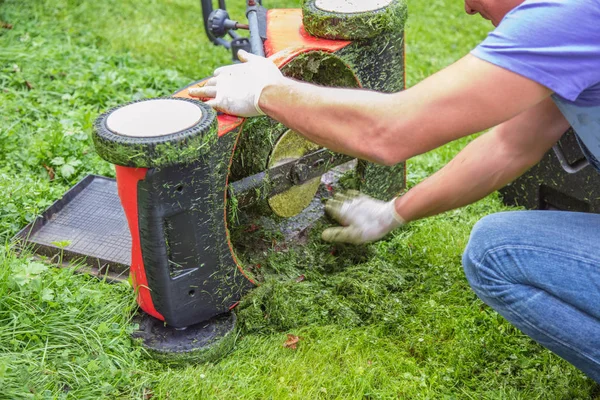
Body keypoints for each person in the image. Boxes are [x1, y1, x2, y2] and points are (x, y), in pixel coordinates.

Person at [189, 0, 600, 382]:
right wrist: (394, 212)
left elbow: (388, 132)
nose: (468, 7)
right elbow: (512, 145)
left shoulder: (567, 15)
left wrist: (265, 93)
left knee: (495, 253)